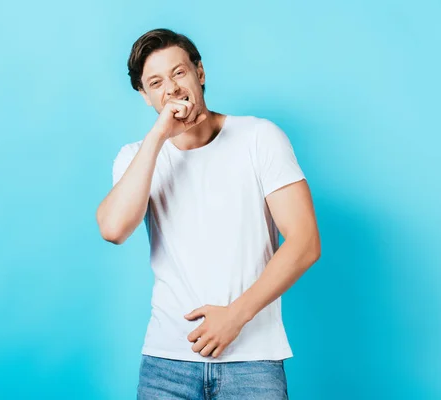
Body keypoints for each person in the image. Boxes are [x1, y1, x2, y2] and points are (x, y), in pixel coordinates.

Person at [96, 28, 321, 399]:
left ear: (199, 72)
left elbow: (305, 242)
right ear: (145, 95)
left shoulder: (259, 138)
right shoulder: (137, 157)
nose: (170, 88)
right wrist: (159, 136)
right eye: (156, 83)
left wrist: (235, 317)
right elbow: (113, 229)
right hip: (165, 365)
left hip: (254, 363)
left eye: (179, 73)